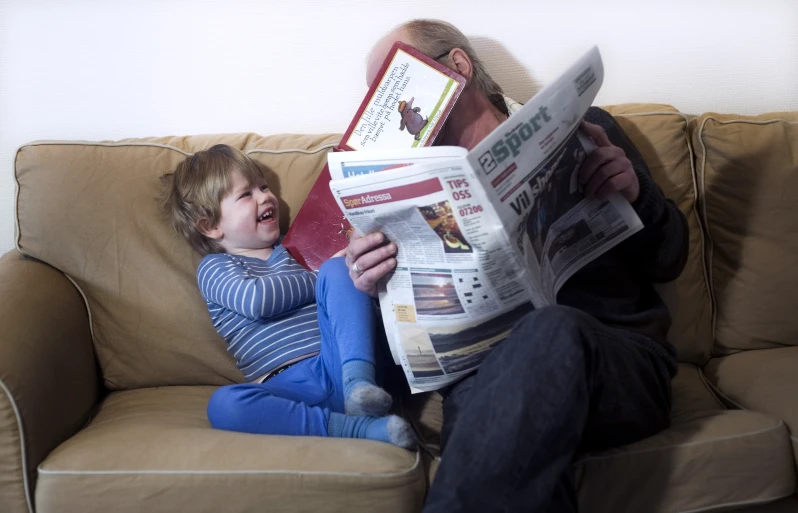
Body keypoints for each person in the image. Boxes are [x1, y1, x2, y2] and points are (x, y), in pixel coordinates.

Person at [346, 20, 689, 512]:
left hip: (618, 362)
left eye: (397, 80)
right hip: (484, 379)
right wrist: (370, 287)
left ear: (457, 67)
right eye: (377, 95)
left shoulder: (585, 126)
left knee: (549, 330)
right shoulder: (400, 197)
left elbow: (672, 259)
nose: (387, 105)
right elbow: (407, 360)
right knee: (503, 428)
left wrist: (637, 192)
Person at [160, 144, 414, 449]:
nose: (265, 196)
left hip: (341, 362)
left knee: (339, 269)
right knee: (224, 404)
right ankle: (356, 429)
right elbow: (258, 301)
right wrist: (317, 278)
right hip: (287, 388)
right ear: (211, 226)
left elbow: (342, 297)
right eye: (246, 194)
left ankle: (359, 387)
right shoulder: (216, 267)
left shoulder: (297, 247)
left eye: (264, 186)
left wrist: (339, 271)